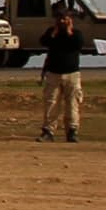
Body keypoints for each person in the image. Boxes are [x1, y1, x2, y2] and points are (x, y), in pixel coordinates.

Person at [35, 9, 86, 143]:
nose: (62, 21)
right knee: (51, 103)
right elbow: (43, 42)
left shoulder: (76, 34)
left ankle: (72, 131)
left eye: (65, 19)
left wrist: (69, 30)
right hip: (53, 73)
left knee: (72, 104)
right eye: (59, 19)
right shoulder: (52, 33)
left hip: (72, 74)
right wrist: (54, 33)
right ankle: (48, 131)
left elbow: (78, 44)